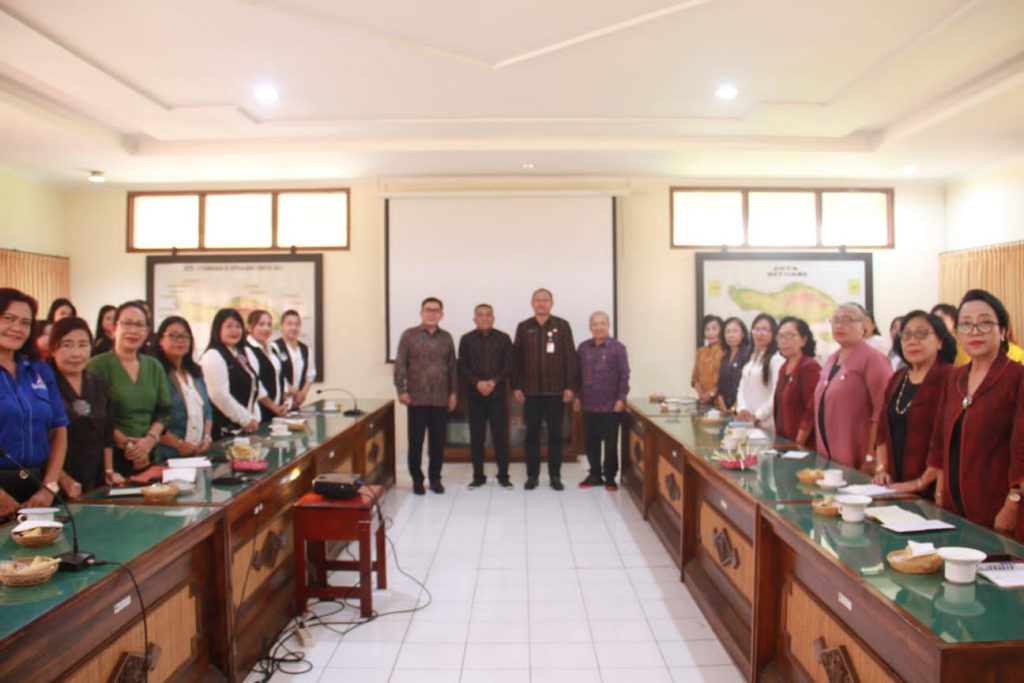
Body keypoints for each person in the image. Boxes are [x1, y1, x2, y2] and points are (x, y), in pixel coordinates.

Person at [926, 290, 1024, 541]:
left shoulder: (1016, 377)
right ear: (957, 333)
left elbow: (1021, 447)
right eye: (966, 324)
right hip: (954, 506)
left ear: (1002, 331)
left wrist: (1013, 502)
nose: (975, 331)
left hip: (999, 508)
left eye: (985, 323)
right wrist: (940, 492)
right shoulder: (954, 378)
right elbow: (940, 439)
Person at [0, 288, 68, 517]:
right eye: (8, 318)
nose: (17, 328)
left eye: (25, 323)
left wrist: (49, 487)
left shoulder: (38, 369)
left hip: (37, 489)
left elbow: (59, 430)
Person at [873, 311, 956, 496]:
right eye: (907, 335)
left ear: (940, 341)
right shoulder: (897, 378)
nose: (912, 341)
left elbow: (949, 440)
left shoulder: (951, 377)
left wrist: (920, 483)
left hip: (934, 488)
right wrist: (882, 469)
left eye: (921, 334)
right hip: (894, 486)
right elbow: (882, 431)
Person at [87, 301, 171, 475]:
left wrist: (149, 441)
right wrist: (129, 446)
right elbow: (94, 414)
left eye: (140, 325)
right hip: (110, 459)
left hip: (149, 455)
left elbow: (165, 412)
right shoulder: (96, 365)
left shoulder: (154, 366)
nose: (133, 330)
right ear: (114, 328)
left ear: (147, 331)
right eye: (127, 323)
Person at [512, 288, 578, 491]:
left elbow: (570, 357)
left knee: (555, 435)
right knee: (531, 435)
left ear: (551, 303)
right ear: (532, 304)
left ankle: (555, 476)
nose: (541, 303)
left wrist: (570, 386)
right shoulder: (524, 327)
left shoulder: (562, 325)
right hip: (531, 392)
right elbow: (516, 359)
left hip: (556, 392)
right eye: (538, 300)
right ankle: (532, 476)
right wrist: (516, 386)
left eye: (545, 300)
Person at [813, 302, 892, 470]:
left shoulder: (873, 358)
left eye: (847, 320)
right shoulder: (833, 358)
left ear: (864, 326)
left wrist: (871, 455)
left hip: (859, 454)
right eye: (835, 320)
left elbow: (882, 410)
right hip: (828, 453)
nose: (839, 325)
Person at [49, 317, 120, 496]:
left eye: (83, 345)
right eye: (67, 345)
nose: (76, 353)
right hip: (56, 480)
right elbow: (42, 441)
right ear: (53, 349)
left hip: (95, 476)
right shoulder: (43, 385)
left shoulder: (100, 384)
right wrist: (62, 479)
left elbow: (107, 435)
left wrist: (109, 471)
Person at [394, 297, 457, 495]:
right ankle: (417, 480)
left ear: (441, 315)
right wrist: (402, 390)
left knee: (438, 443)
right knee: (416, 442)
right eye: (428, 310)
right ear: (421, 313)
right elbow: (400, 365)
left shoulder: (446, 337)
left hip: (440, 398)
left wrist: (453, 392)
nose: (431, 314)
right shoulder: (409, 336)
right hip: (416, 399)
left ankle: (435, 479)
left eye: (436, 310)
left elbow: (452, 368)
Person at [458, 304, 513, 490]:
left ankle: (503, 476)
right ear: (475, 319)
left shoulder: (504, 338)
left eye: (488, 315)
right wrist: (478, 383)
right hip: (475, 396)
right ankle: (478, 476)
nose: (484, 318)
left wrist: (493, 382)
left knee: (501, 437)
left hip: (497, 395)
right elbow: (462, 366)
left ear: (493, 318)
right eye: (480, 315)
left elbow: (508, 365)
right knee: (477, 438)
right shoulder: (466, 339)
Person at [577, 311, 630, 490]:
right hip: (589, 403)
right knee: (590, 442)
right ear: (590, 326)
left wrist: (621, 398)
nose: (599, 327)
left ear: (608, 326)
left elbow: (624, 375)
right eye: (595, 324)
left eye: (602, 323)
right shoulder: (583, 347)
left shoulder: (618, 348)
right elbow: (577, 375)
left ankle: (610, 477)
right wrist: (577, 397)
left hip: (611, 405)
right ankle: (594, 474)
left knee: (610, 443)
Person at [154, 317, 213, 460]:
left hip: (198, 453)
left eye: (185, 336)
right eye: (173, 335)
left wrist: (207, 437)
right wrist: (178, 445)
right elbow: (152, 419)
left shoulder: (195, 372)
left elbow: (207, 410)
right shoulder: (155, 373)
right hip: (168, 456)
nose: (180, 340)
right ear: (161, 340)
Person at [201, 308, 264, 439]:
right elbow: (219, 396)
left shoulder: (242, 353)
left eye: (238, 326)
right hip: (222, 431)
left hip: (244, 428)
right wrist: (245, 419)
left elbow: (254, 388)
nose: (234, 330)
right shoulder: (213, 356)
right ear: (218, 329)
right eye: (229, 326)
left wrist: (253, 418)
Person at [773, 317, 820, 447]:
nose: (784, 341)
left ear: (804, 340)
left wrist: (799, 441)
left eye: (790, 336)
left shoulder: (809, 367)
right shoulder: (784, 367)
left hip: (803, 445)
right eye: (780, 337)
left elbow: (812, 409)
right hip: (783, 441)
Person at [735, 313, 784, 430]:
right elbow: (742, 387)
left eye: (764, 330)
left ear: (773, 333)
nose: (759, 333)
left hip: (766, 423)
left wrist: (758, 416)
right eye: (756, 329)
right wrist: (742, 408)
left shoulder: (776, 359)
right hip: (746, 421)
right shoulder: (751, 356)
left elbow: (776, 394)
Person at [246, 310, 288, 422]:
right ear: (250, 327)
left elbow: (280, 377)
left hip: (276, 412)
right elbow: (256, 385)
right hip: (258, 414)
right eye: (261, 324)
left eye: (269, 325)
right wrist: (274, 407)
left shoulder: (271, 348)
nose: (266, 328)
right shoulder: (247, 350)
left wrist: (284, 402)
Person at [274, 310, 315, 409]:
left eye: (297, 324)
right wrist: (291, 390)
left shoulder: (306, 349)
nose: (293, 327)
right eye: (289, 324)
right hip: (279, 403)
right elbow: (275, 375)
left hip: (297, 402)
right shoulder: (274, 347)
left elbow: (310, 375)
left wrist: (303, 394)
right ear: (281, 327)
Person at [715, 317, 750, 415]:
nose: (731, 335)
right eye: (728, 332)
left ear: (742, 334)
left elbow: (747, 385)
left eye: (735, 331)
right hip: (724, 409)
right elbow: (720, 384)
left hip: (742, 409)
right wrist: (722, 405)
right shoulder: (724, 357)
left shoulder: (748, 354)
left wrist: (734, 408)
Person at [691, 314, 725, 405]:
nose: (710, 333)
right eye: (707, 329)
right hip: (703, 401)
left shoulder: (725, 351)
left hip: (721, 402)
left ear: (721, 330)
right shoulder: (700, 352)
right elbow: (695, 378)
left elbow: (725, 380)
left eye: (714, 329)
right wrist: (701, 394)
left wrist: (711, 394)